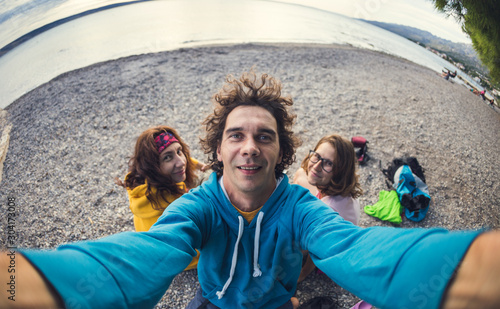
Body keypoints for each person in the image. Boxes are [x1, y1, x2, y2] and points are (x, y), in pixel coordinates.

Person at [2, 71, 500, 309]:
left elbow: (356, 248)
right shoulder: (197, 207)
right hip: (211, 302)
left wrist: (477, 267)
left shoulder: (302, 207)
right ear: (217, 150)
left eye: (265, 136)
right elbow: (142, 255)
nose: (249, 147)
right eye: (236, 135)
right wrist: (18, 281)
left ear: (280, 153)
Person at [115, 125, 208, 270]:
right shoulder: (171, 205)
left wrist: (199, 165)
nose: (181, 161)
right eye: (167, 157)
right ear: (153, 166)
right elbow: (192, 247)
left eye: (179, 151)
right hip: (191, 258)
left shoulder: (142, 181)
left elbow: (185, 159)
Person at [294, 134, 363, 283]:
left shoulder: (328, 209)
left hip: (332, 251)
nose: (316, 166)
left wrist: (303, 272)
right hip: (326, 220)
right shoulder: (337, 188)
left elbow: (317, 248)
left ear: (340, 171)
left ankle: (301, 271)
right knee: (300, 174)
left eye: (328, 164)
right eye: (317, 156)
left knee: (284, 244)